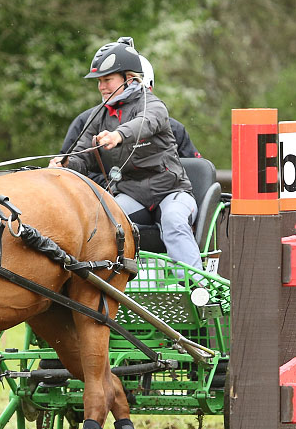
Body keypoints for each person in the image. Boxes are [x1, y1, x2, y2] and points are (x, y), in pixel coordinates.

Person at [50, 37, 203, 270]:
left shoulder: (152, 105)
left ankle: (196, 288)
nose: (102, 86)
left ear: (129, 79)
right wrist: (65, 163)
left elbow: (145, 123)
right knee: (101, 223)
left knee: (173, 221)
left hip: (172, 191)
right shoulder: (98, 116)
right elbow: (83, 155)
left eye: (107, 80)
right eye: (99, 81)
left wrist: (117, 136)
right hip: (132, 193)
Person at [60, 55, 201, 160]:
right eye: (101, 81)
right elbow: (73, 164)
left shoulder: (172, 126)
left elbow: (193, 170)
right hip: (103, 193)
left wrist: (118, 135)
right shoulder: (89, 120)